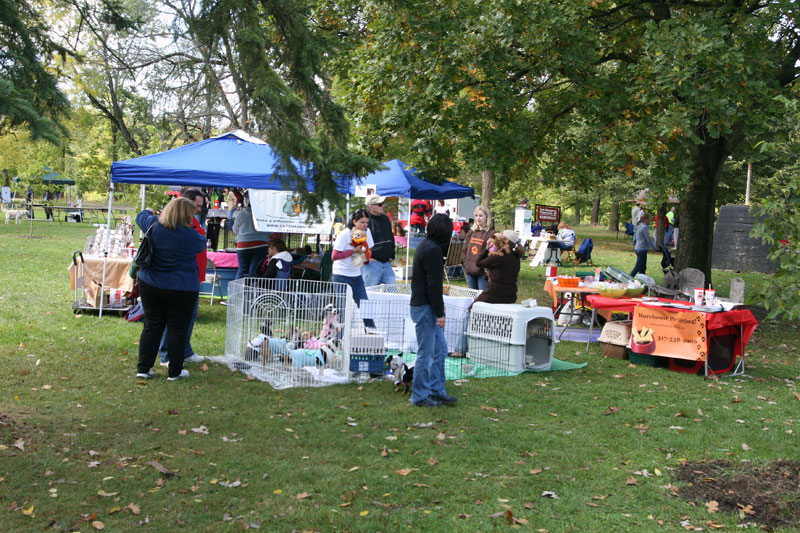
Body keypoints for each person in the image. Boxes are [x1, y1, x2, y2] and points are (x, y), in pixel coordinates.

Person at [134, 197, 206, 381]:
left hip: (151, 283)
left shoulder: (153, 225)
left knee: (152, 325)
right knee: (177, 329)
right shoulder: (192, 236)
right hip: (181, 287)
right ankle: (175, 370)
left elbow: (140, 216)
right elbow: (200, 242)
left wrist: (150, 211)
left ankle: (143, 368)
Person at [409, 213, 457, 408]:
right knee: (426, 354)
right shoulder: (433, 251)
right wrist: (440, 313)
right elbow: (434, 286)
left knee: (440, 350)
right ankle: (420, 396)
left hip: (424, 305)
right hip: (425, 308)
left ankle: (437, 390)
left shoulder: (426, 246)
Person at [157, 189, 207, 367]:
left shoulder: (191, 222)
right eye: (197, 205)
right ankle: (166, 354)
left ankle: (184, 351)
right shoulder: (176, 224)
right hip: (179, 280)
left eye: (201, 206)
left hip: (192, 278)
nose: (199, 209)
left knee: (189, 317)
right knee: (173, 320)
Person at [332, 208, 376, 327]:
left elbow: (368, 251)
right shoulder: (344, 234)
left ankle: (372, 333)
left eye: (367, 222)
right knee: (342, 308)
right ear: (354, 222)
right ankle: (339, 338)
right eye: (362, 222)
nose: (365, 225)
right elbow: (334, 256)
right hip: (341, 275)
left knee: (364, 305)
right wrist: (352, 251)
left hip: (356, 275)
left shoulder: (367, 233)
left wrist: (366, 258)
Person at [472, 230, 524, 306]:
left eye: (500, 236)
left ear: (506, 241)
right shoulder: (516, 257)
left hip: (494, 294)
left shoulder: (499, 256)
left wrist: (486, 249)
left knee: (472, 309)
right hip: (510, 295)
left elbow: (478, 263)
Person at [232, 193, 272, 279]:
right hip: (261, 244)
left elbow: (235, 230)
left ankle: (237, 291)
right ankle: (250, 290)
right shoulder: (264, 215)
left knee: (242, 270)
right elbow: (270, 231)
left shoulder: (241, 215)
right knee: (254, 271)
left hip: (243, 245)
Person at [362, 194, 396, 287]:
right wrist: (366, 258)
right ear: (370, 206)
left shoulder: (385, 218)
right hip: (372, 264)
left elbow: (390, 237)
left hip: (387, 263)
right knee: (368, 293)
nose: (383, 206)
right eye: (380, 204)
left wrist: (392, 255)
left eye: (383, 203)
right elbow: (357, 241)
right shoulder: (364, 220)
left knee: (393, 292)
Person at [460, 205, 493, 290]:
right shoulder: (471, 232)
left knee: (481, 299)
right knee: (472, 298)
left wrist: (485, 267)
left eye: (481, 215)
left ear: (486, 217)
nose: (478, 218)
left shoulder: (491, 233)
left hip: (482, 272)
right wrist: (465, 264)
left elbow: (492, 253)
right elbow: (464, 250)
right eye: (476, 215)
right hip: (470, 270)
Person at [630, 212, 657, 277]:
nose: (650, 221)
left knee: (643, 267)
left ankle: (642, 279)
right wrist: (655, 248)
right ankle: (629, 278)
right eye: (649, 219)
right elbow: (648, 239)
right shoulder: (644, 227)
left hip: (638, 248)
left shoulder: (639, 226)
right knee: (638, 266)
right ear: (646, 220)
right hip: (642, 249)